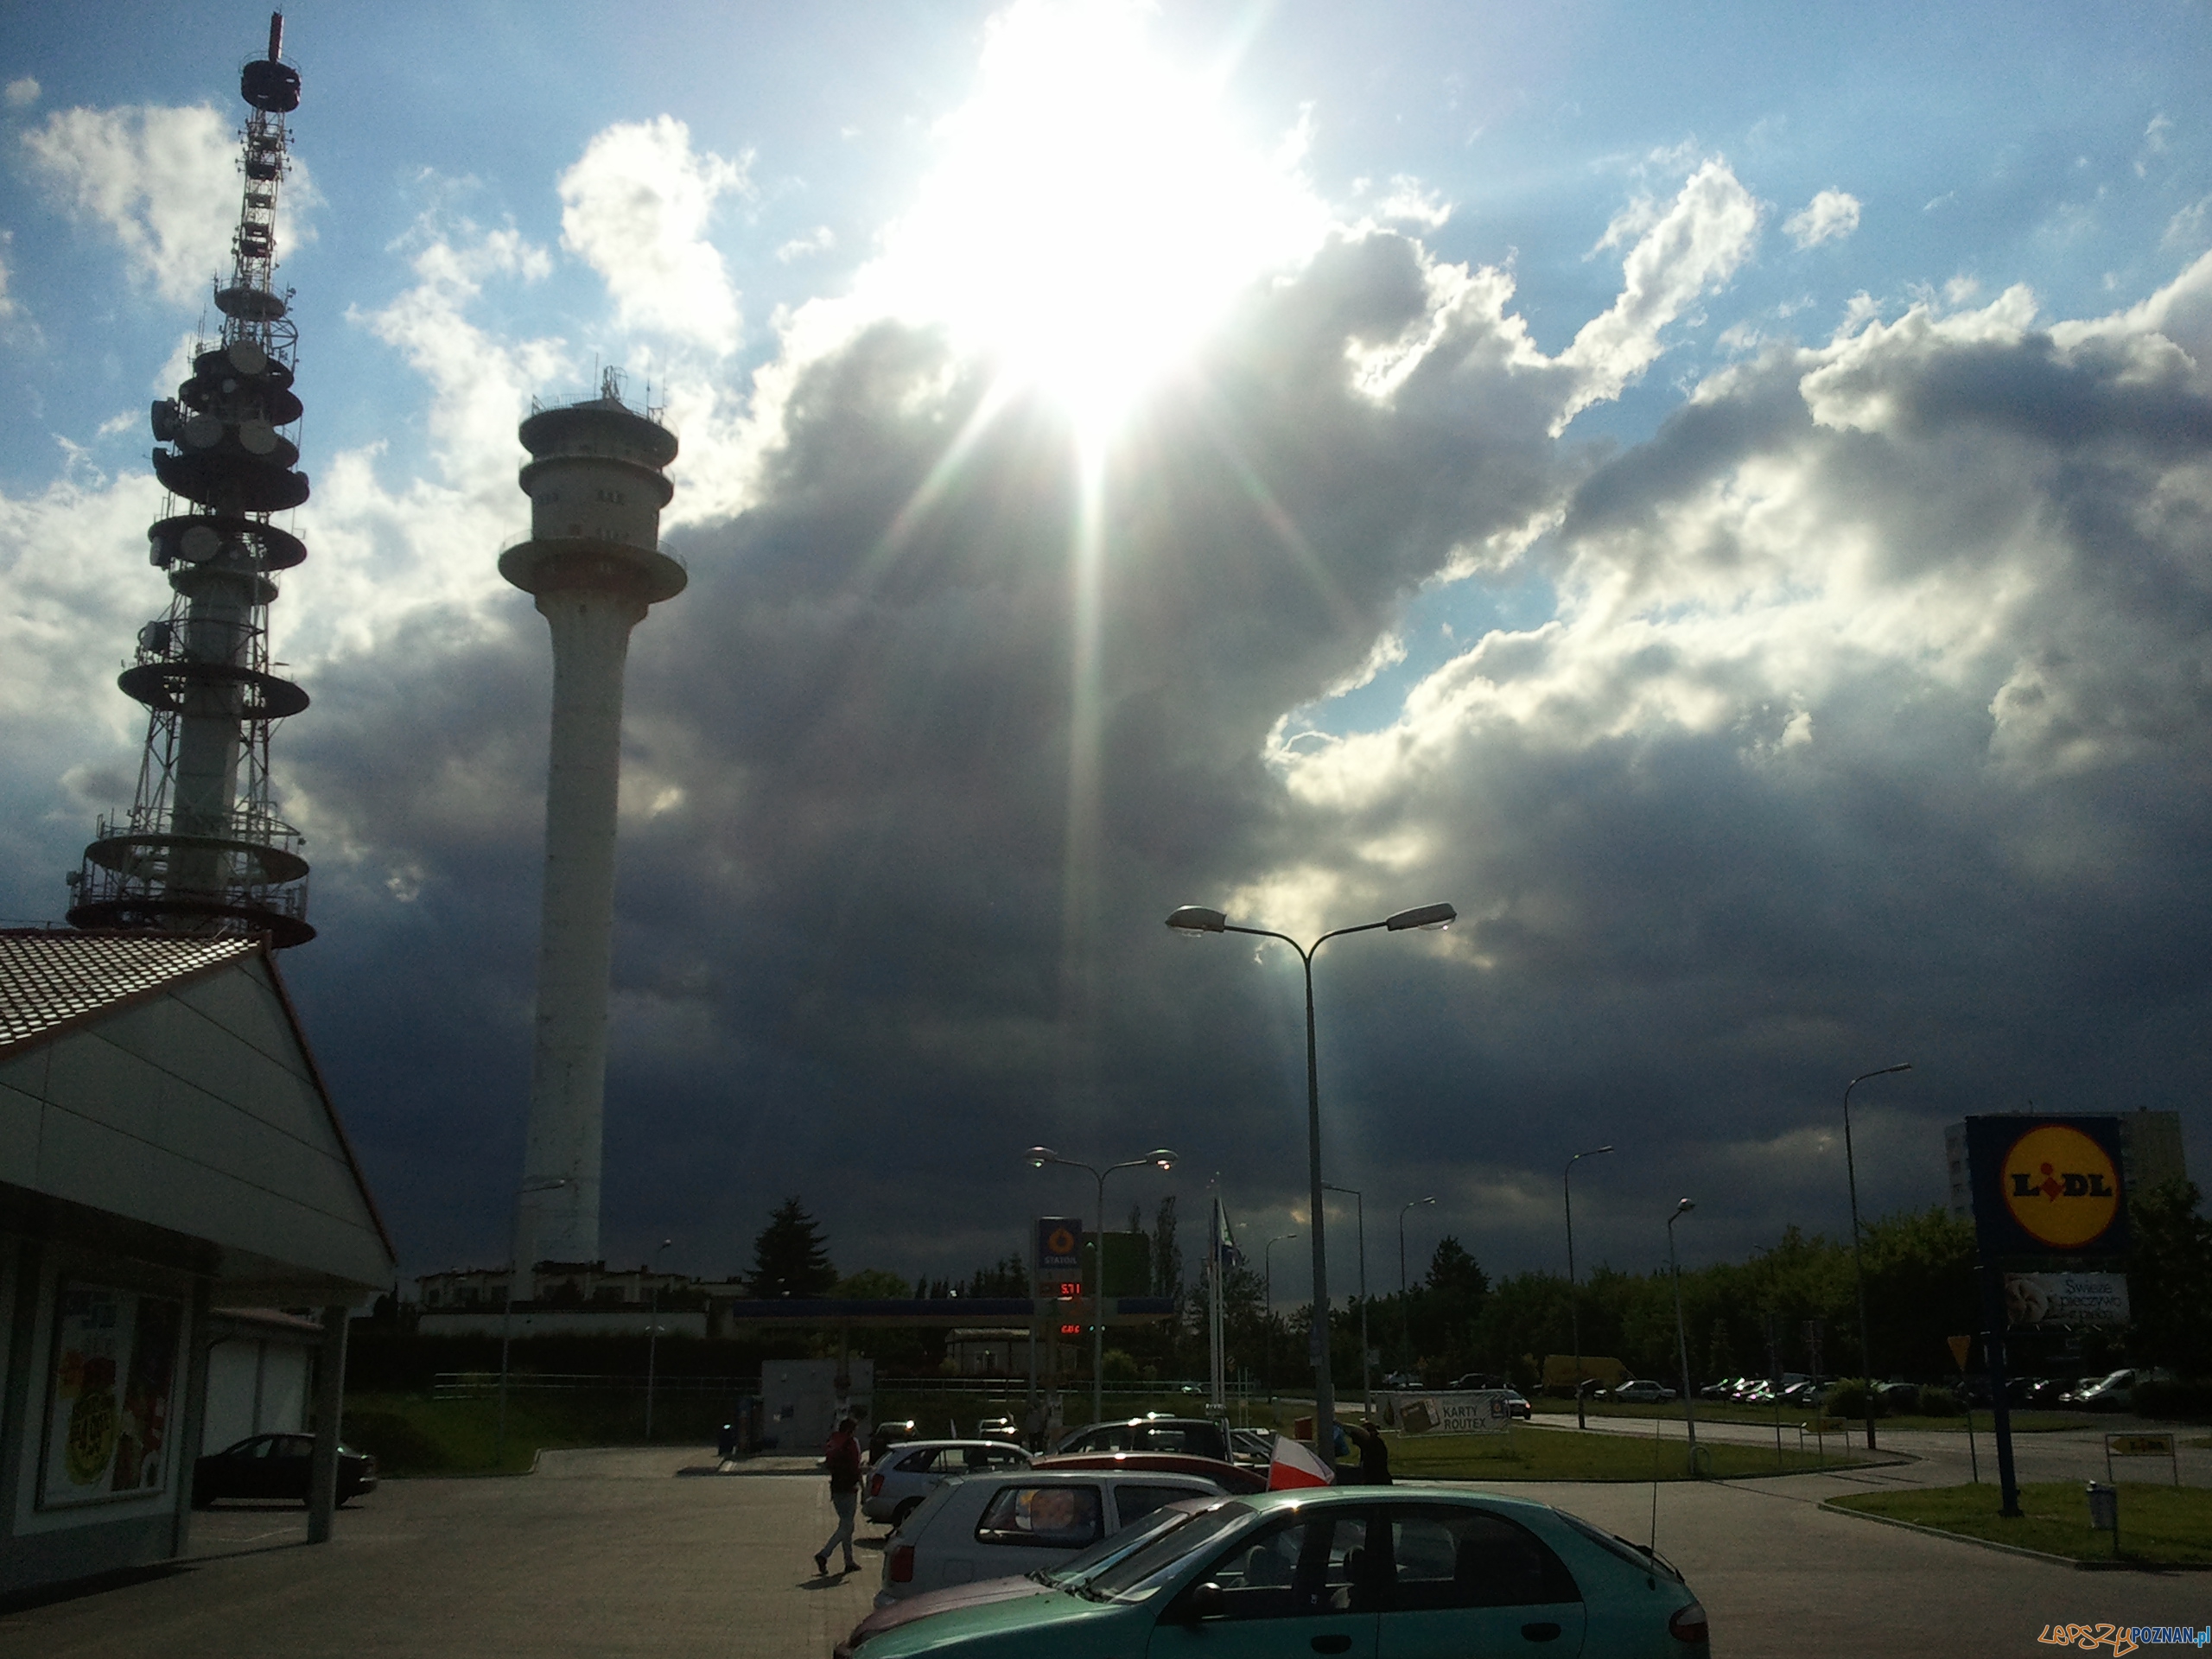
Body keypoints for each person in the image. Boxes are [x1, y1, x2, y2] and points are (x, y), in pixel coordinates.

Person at [813, 1416, 863, 1576]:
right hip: (849, 1488)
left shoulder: (834, 1441)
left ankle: (849, 1561)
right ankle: (824, 1554)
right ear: (851, 1430)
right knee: (847, 1526)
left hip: (836, 1488)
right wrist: (863, 1486)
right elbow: (856, 1467)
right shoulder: (852, 1443)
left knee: (846, 1525)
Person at [1338, 1420, 1392, 1485]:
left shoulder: (1376, 1444)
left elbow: (1362, 1434)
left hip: (1378, 1483)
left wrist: (1341, 1425)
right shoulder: (1366, 1448)